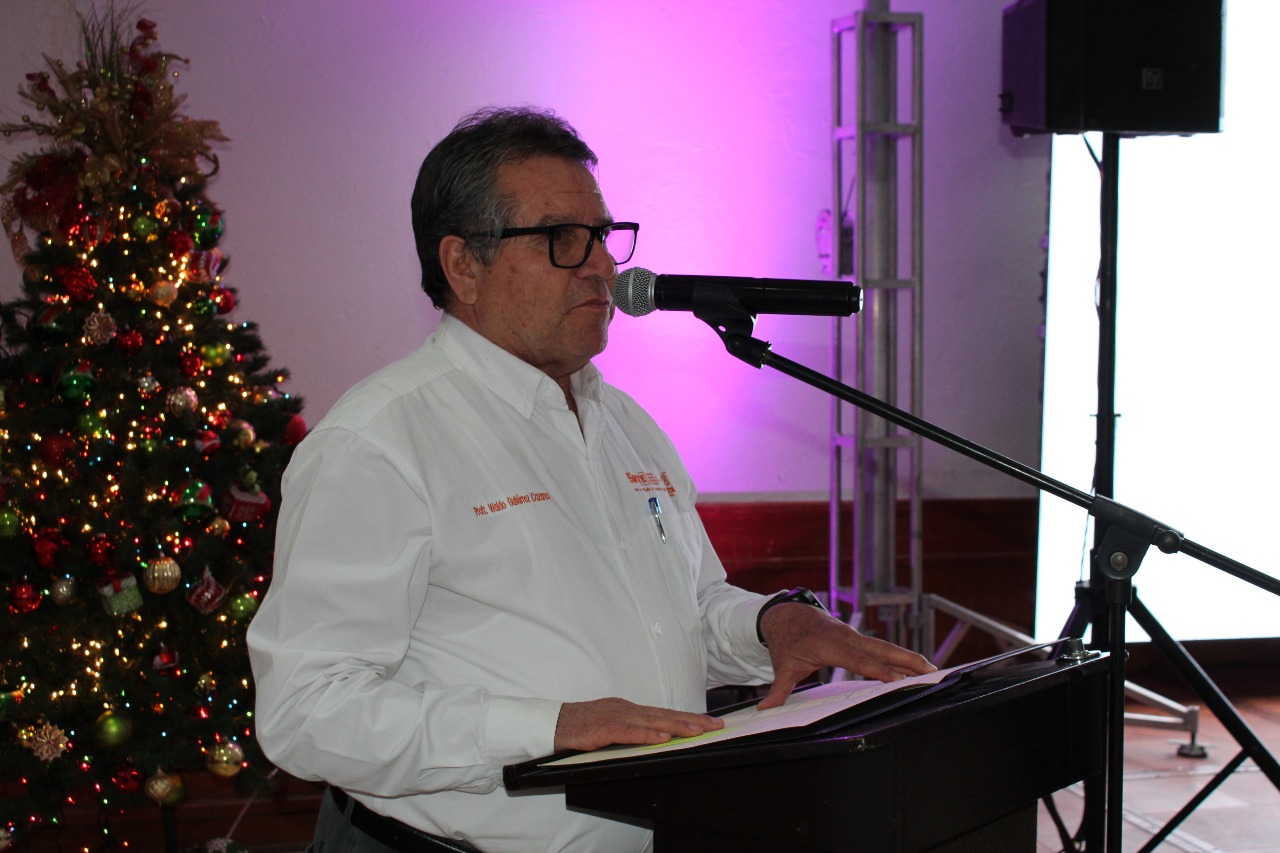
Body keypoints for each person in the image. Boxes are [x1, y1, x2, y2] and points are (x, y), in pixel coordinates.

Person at [246, 106, 935, 853]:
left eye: (603, 235)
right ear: (463, 265)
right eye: (562, 239)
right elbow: (306, 711)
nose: (603, 266)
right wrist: (551, 726)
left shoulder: (624, 421)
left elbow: (685, 611)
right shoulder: (378, 443)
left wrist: (772, 627)